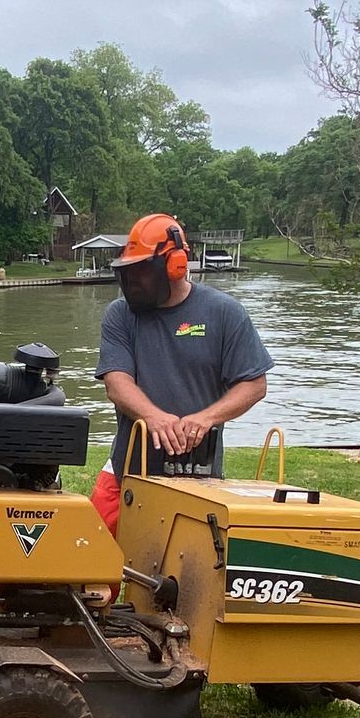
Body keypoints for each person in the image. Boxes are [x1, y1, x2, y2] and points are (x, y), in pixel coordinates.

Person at [90, 213, 271, 532]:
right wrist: (154, 417)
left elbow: (254, 384)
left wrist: (205, 419)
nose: (133, 281)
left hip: (200, 481)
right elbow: (117, 383)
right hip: (127, 471)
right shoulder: (120, 315)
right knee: (91, 562)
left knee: (187, 568)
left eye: (141, 271)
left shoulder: (224, 312)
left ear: (175, 265)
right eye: (128, 272)